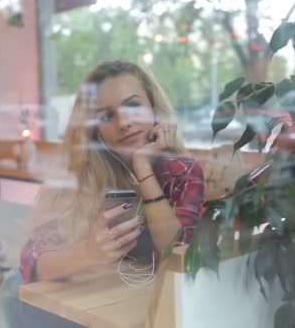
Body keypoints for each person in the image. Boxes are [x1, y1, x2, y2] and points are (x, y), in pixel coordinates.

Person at [19, 60, 205, 283]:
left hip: (160, 307)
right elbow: (30, 262)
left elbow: (179, 258)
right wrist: (86, 253)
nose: (124, 123)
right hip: (88, 305)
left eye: (132, 106)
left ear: (154, 110)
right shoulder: (84, 174)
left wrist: (143, 168)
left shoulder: (180, 171)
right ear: (95, 131)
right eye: (106, 116)